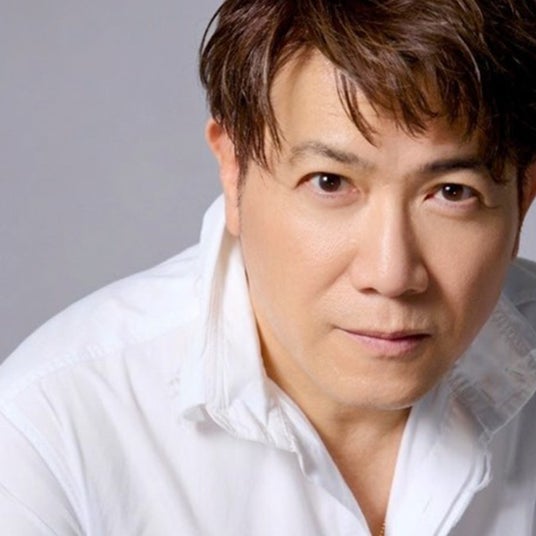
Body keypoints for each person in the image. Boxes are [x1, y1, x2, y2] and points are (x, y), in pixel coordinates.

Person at [1, 0, 535, 534]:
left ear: (523, 199)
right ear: (234, 171)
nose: (390, 274)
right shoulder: (48, 432)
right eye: (329, 182)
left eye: (452, 192)